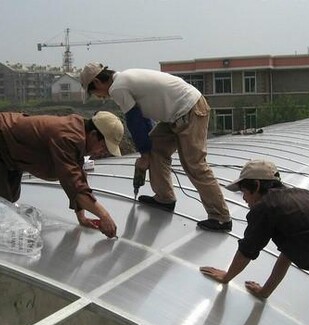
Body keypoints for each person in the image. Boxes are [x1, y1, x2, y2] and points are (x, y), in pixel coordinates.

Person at [80, 63, 232, 232]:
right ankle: (164, 198)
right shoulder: (125, 77)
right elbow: (145, 121)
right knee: (156, 147)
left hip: (189, 109)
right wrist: (146, 151)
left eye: (94, 92)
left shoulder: (118, 88)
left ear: (97, 81)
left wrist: (144, 156)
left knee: (194, 164)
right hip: (178, 113)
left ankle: (221, 217)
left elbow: (135, 121)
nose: (99, 97)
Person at [200, 159, 309, 319]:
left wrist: (226, 277)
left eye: (244, 191)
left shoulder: (267, 207)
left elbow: (247, 251)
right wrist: (265, 292)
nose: (244, 198)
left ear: (256, 185)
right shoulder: (296, 198)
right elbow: (288, 254)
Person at [0, 111, 124, 238]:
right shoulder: (68, 138)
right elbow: (74, 185)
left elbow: (78, 179)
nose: (102, 152)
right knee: (3, 207)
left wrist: (82, 218)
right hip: (2, 139)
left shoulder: (79, 134)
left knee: (9, 202)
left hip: (10, 156)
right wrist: (104, 216)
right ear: (93, 134)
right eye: (103, 147)